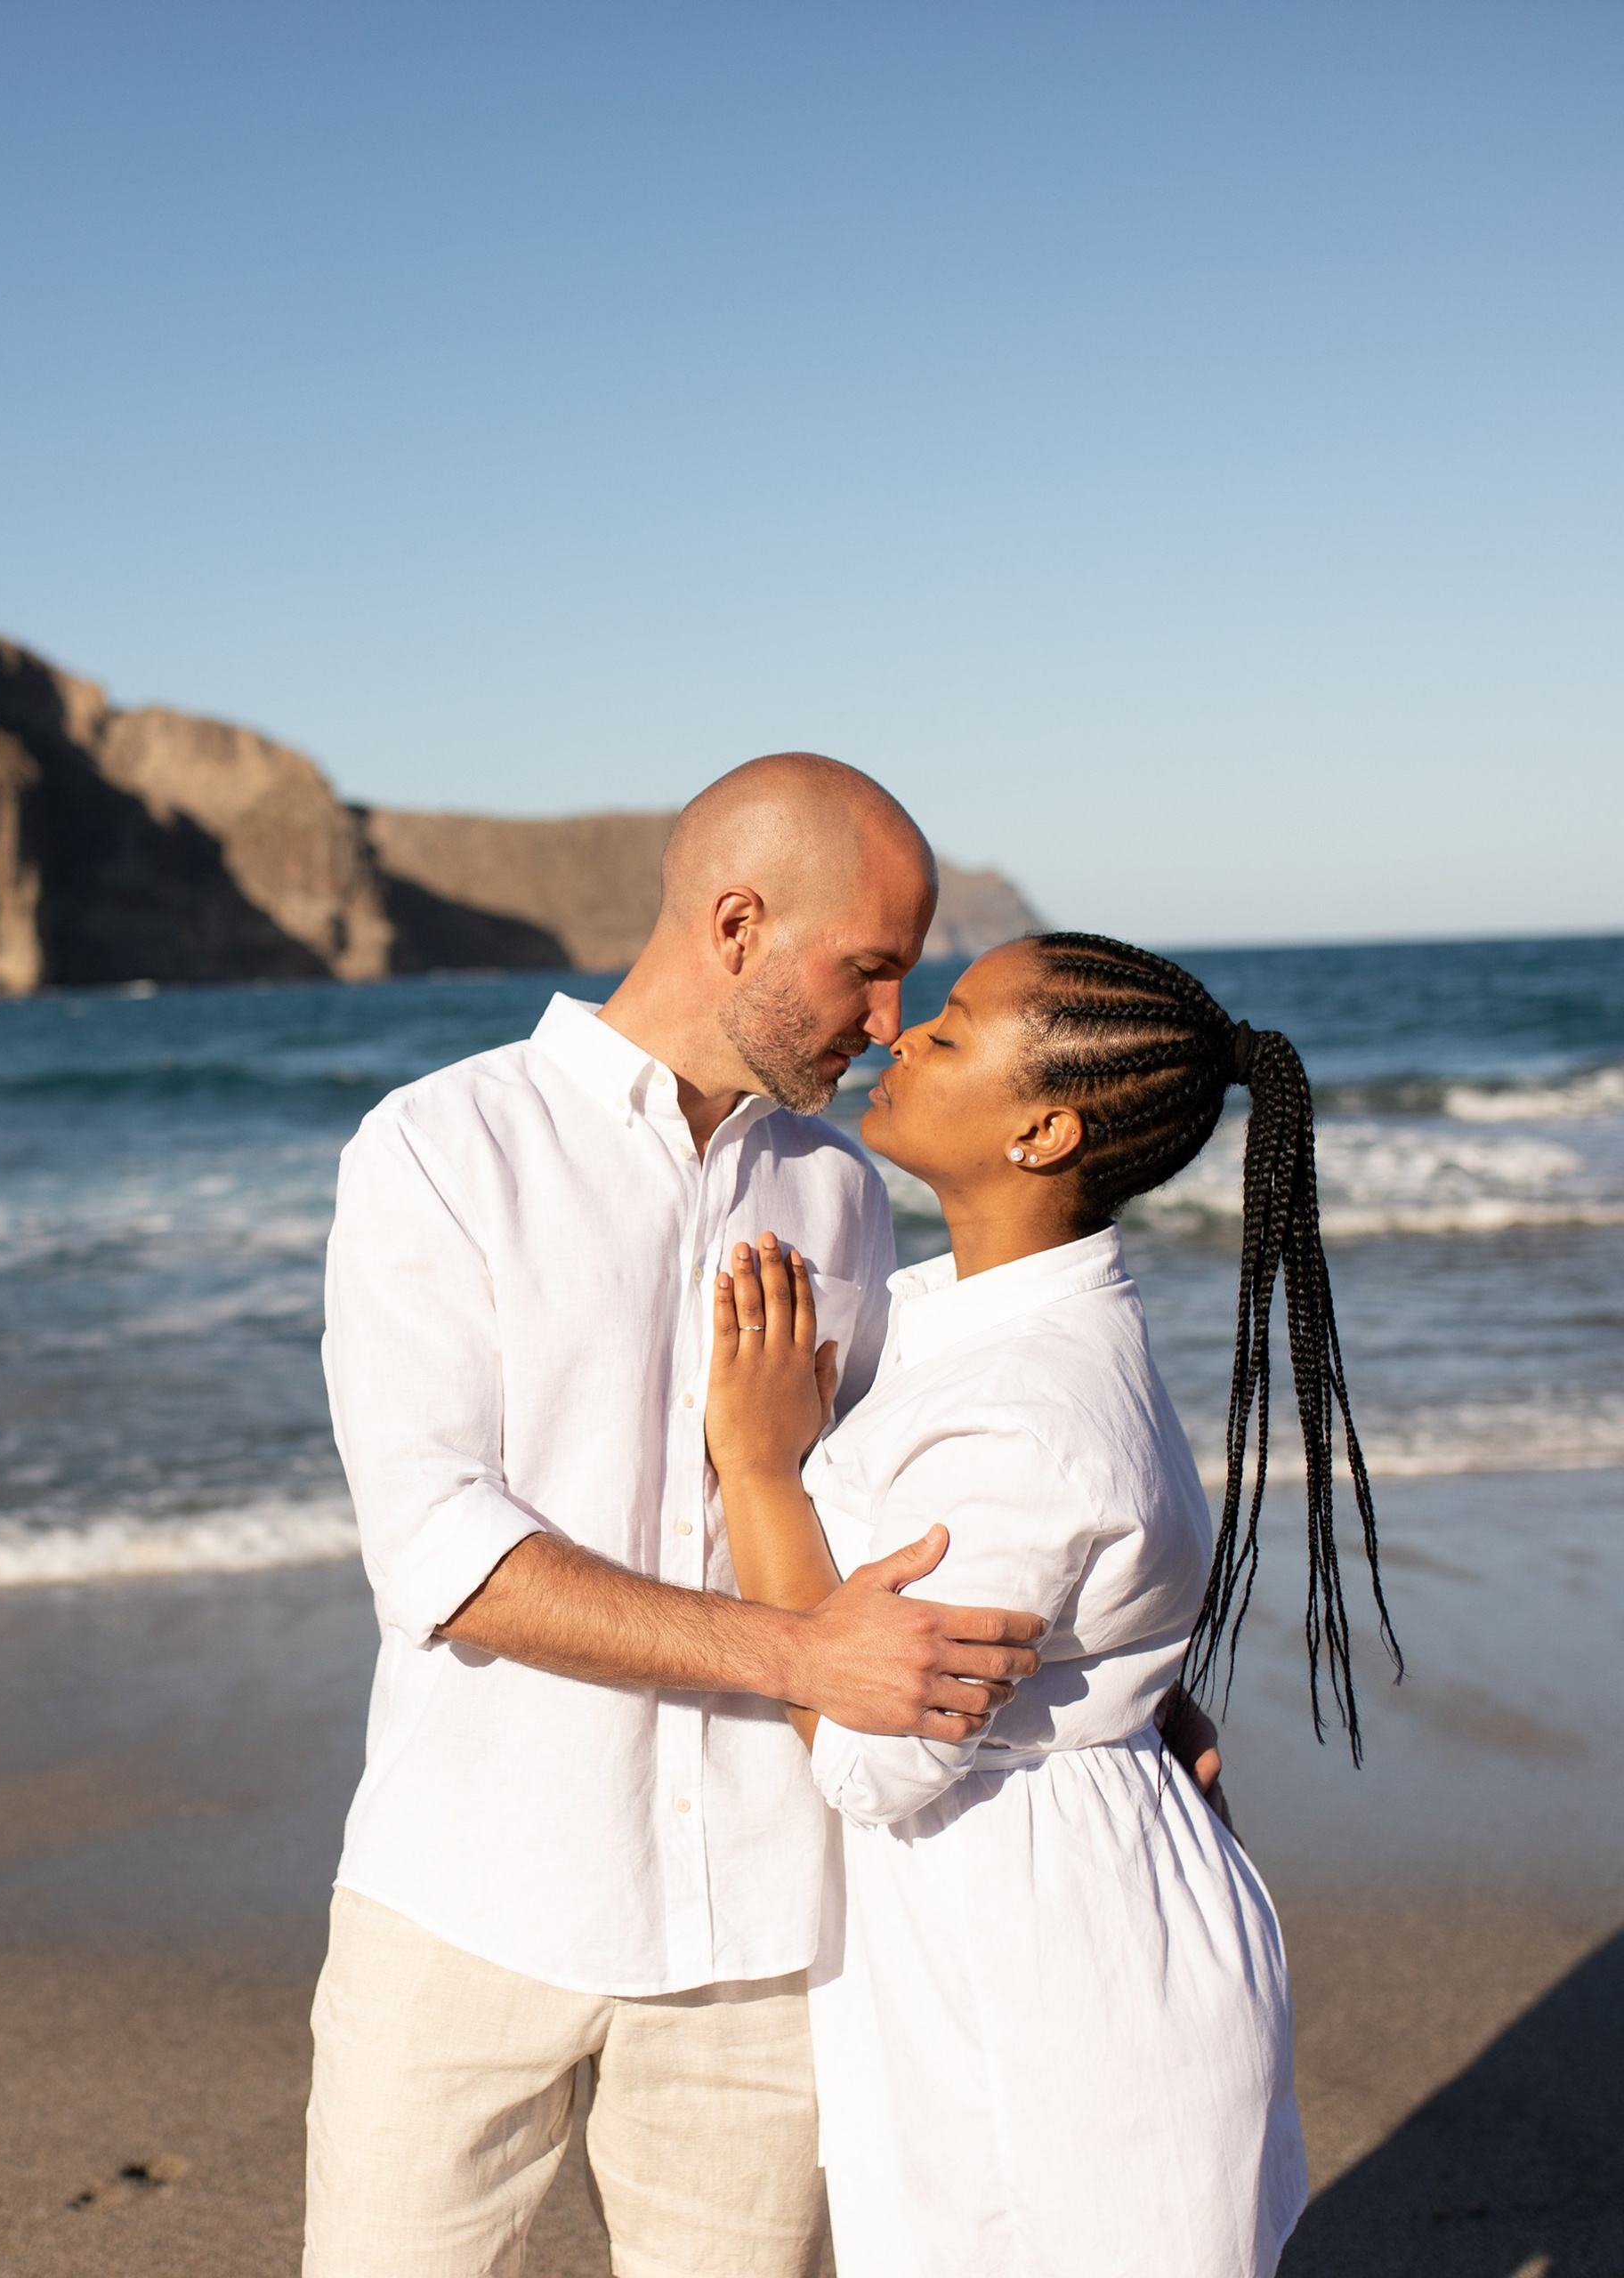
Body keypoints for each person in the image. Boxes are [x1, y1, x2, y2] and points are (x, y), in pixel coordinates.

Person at [307, 756, 1212, 2277]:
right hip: (465, 1901)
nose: (885, 1025)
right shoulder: (441, 1150)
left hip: (771, 1938)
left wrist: (1123, 1690)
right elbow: (441, 1554)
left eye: (906, 987)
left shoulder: (844, 1193)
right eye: (867, 973)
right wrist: (802, 1661)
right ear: (736, 925)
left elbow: (930, 1509)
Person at [705, 931, 1401, 2277]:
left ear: (1045, 1129)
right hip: (1054, 1917)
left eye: (951, 1032)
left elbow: (871, 1754)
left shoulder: (1022, 1405)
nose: (904, 1038)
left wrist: (757, 1467)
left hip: (1054, 1978)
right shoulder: (985, 1327)